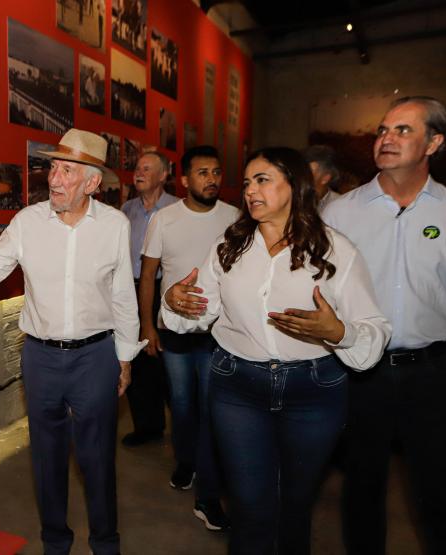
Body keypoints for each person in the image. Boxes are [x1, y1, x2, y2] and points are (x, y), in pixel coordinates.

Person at [0, 128, 143, 555]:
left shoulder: (115, 225)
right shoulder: (27, 222)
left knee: (97, 460)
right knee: (47, 459)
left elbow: (122, 296)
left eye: (67, 170)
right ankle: (55, 542)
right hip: (40, 358)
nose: (54, 179)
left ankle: (105, 542)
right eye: (53, 167)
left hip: (96, 356)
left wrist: (126, 357)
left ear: (93, 182)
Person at [163, 147, 390, 554]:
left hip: (314, 391)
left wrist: (338, 332)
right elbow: (198, 311)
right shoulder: (228, 245)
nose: (250, 190)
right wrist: (176, 301)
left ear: (295, 186)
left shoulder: (335, 250)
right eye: (247, 182)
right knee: (249, 505)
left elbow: (374, 332)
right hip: (237, 387)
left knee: (295, 504)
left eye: (263, 180)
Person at [323, 96, 446, 555]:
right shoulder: (340, 214)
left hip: (436, 372)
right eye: (383, 130)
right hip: (360, 372)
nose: (386, 139)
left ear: (434, 142)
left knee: (441, 493)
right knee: (361, 490)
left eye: (403, 130)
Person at [139, 145, 238, 530]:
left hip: (219, 333)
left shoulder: (235, 217)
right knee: (181, 403)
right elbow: (148, 275)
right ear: (184, 179)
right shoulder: (165, 220)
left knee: (212, 406)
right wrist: (148, 327)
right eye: (202, 173)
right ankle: (186, 460)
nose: (211, 179)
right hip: (174, 332)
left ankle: (209, 480)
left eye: (216, 172)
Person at [119, 151, 178, 447]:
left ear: (164, 175)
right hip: (130, 290)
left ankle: (182, 433)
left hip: (164, 291)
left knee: (168, 362)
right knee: (136, 361)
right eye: (136, 168)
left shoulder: (177, 209)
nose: (138, 173)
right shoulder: (126, 210)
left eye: (146, 168)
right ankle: (148, 427)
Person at [302, 145, 341, 213]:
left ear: (325, 178)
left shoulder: (339, 205)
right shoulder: (290, 199)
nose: (302, 175)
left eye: (309, 171)